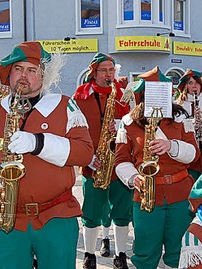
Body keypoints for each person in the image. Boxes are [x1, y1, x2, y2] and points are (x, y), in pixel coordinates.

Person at [0, 41, 93, 269]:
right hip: (7, 217)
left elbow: (84, 153)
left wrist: (38, 142)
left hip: (56, 216)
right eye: (18, 69)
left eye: (32, 70)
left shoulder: (65, 106)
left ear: (42, 76)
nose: (24, 76)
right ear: (9, 74)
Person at [114, 66, 198, 269]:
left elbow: (194, 155)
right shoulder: (128, 123)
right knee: (144, 252)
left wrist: (171, 146)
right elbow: (121, 160)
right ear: (143, 95)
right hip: (146, 196)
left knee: (179, 251)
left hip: (180, 194)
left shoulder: (180, 118)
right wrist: (134, 178)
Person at [73, 52, 132, 269]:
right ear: (94, 72)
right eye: (104, 70)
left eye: (111, 70)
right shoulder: (79, 97)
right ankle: (89, 254)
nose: (109, 75)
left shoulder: (123, 96)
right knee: (91, 211)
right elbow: (73, 131)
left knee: (122, 212)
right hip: (93, 164)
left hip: (120, 163)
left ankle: (122, 254)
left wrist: (120, 125)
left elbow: (135, 126)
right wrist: (87, 157)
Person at [175, 69, 202, 179]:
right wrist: (190, 125)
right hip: (188, 150)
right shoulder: (179, 105)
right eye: (190, 83)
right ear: (186, 86)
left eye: (197, 82)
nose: (194, 86)